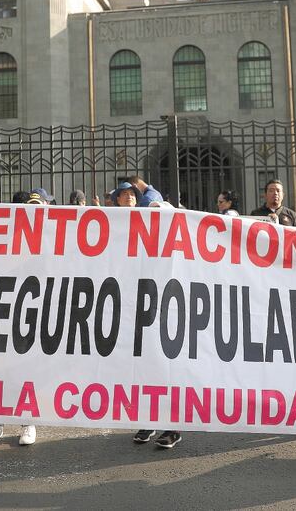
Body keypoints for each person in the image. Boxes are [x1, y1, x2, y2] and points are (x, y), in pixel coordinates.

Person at [113, 181, 181, 449]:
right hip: (138, 310)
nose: (155, 218)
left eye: (160, 213)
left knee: (169, 369)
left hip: (168, 314)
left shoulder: (174, 241)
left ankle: (173, 427)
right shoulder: (128, 234)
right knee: (145, 369)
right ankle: (149, 420)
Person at [0, 188, 46, 446]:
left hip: (32, 310)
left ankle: (27, 421)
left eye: (37, 209)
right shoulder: (5, 235)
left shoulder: (54, 239)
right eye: (28, 208)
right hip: (2, 307)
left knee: (25, 368)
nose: (31, 213)